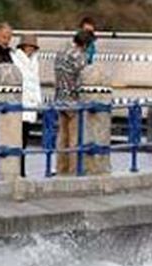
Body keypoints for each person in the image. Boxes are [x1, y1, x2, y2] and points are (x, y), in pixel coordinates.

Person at [54, 30, 94, 175]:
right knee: (75, 138)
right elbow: (82, 80)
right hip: (74, 101)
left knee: (62, 137)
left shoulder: (61, 52)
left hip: (60, 99)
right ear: (85, 44)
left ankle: (60, 168)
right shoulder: (80, 56)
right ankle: (74, 169)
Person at [11, 34, 42, 175]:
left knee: (24, 139)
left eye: (32, 47)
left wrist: (37, 101)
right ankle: (19, 170)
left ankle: (22, 169)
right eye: (28, 46)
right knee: (18, 139)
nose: (30, 49)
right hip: (20, 104)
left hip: (30, 105)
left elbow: (35, 82)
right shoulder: (15, 59)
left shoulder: (34, 61)